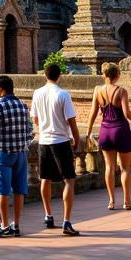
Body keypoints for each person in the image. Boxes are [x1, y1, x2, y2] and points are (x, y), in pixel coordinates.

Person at [84, 61, 131, 209]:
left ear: (104, 75)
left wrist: (88, 132)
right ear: (118, 75)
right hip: (121, 130)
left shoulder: (98, 90)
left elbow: (92, 113)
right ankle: (127, 201)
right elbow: (127, 113)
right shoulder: (121, 91)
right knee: (125, 168)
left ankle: (111, 201)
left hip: (105, 131)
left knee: (109, 167)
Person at [30, 61, 82, 234]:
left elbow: (35, 120)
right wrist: (76, 139)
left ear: (45, 75)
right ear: (60, 76)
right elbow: (71, 121)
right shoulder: (63, 94)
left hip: (44, 141)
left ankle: (48, 215)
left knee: (45, 179)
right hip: (60, 140)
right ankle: (67, 221)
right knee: (69, 180)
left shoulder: (37, 93)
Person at [0, 75, 33, 238]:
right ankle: (16, 224)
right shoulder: (23, 105)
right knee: (19, 189)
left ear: (0, 89)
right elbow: (29, 131)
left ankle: (4, 225)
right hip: (21, 153)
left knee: (2, 190)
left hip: (3, 153)